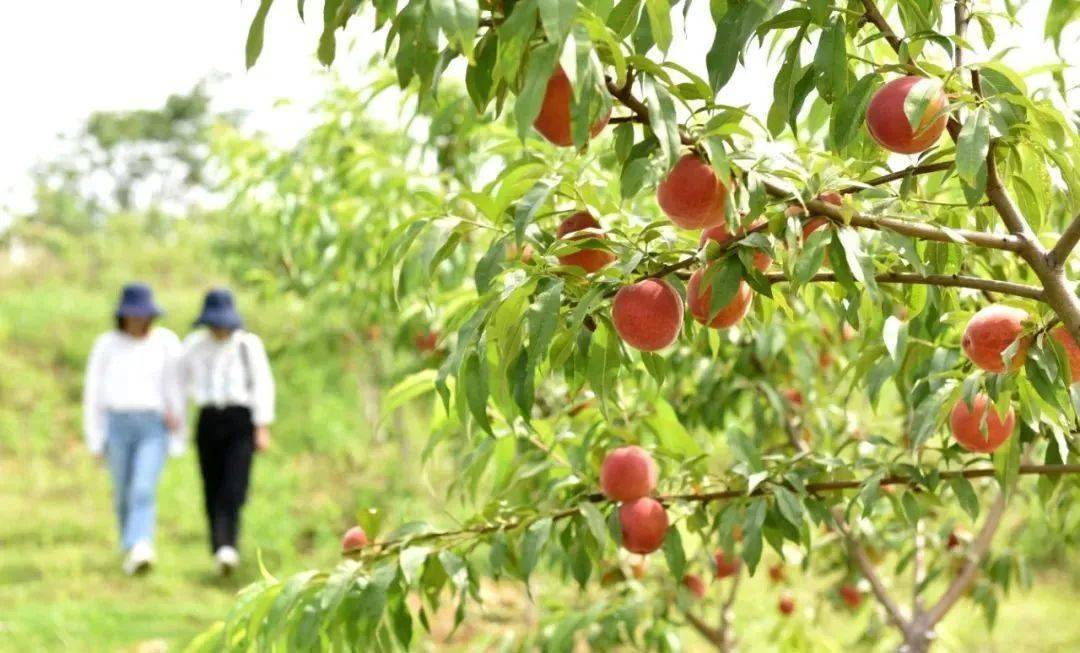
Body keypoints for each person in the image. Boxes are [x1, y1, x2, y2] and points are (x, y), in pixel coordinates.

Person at [83, 283, 184, 575]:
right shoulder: (106, 345)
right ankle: (131, 546)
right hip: (117, 425)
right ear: (123, 316)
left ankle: (142, 544)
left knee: (142, 486)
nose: (138, 321)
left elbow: (174, 388)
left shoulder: (165, 342)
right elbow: (93, 393)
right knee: (123, 492)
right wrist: (95, 438)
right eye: (132, 315)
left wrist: (177, 430)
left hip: (153, 425)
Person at [180, 288, 275, 575]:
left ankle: (229, 543)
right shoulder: (195, 345)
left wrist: (262, 426)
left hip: (240, 420)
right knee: (212, 484)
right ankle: (220, 547)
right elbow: (181, 382)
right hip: (209, 418)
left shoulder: (248, 344)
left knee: (235, 486)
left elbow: (263, 384)